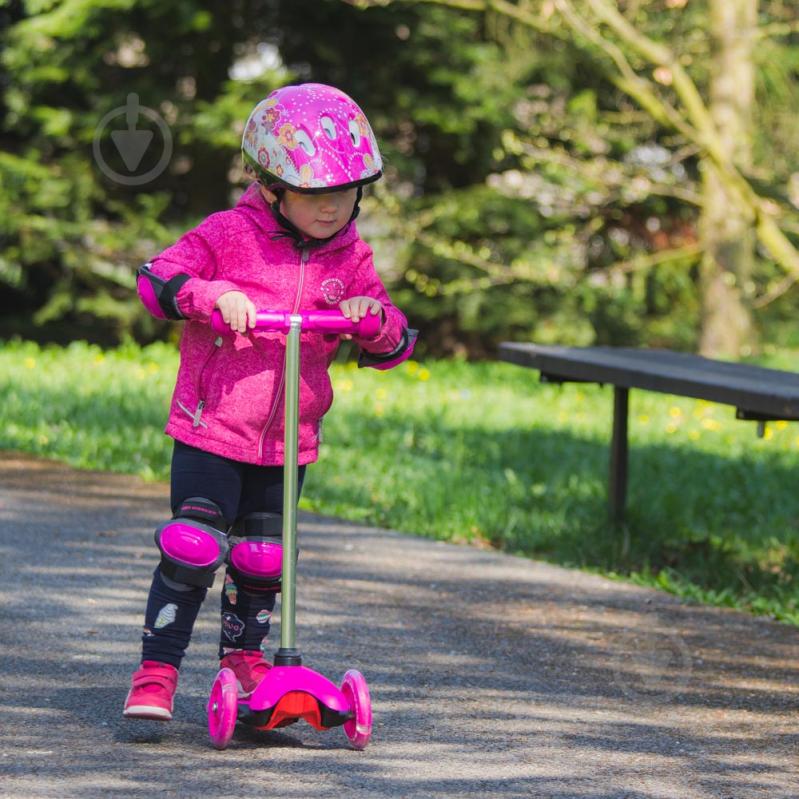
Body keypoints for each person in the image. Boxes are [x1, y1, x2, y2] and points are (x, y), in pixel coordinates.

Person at [124, 83, 416, 720]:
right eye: (316, 193)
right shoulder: (228, 234)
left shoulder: (353, 255)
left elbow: (394, 339)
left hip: (290, 441)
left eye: (345, 192)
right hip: (213, 430)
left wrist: (372, 319)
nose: (333, 207)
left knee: (263, 561)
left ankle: (245, 664)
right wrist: (212, 295)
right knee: (194, 547)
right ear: (273, 185)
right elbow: (159, 279)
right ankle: (157, 673)